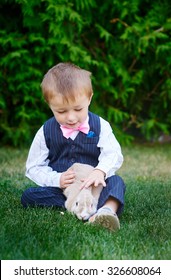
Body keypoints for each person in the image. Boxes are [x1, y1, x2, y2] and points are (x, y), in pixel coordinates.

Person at [21, 62, 126, 231]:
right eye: (61, 111)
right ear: (49, 105)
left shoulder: (100, 125)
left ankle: (106, 211)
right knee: (29, 196)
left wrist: (100, 171)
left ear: (89, 98)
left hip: (95, 189)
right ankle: (77, 207)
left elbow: (113, 154)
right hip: (64, 190)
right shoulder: (46, 131)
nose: (71, 118)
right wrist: (57, 179)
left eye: (78, 109)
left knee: (116, 182)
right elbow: (33, 167)